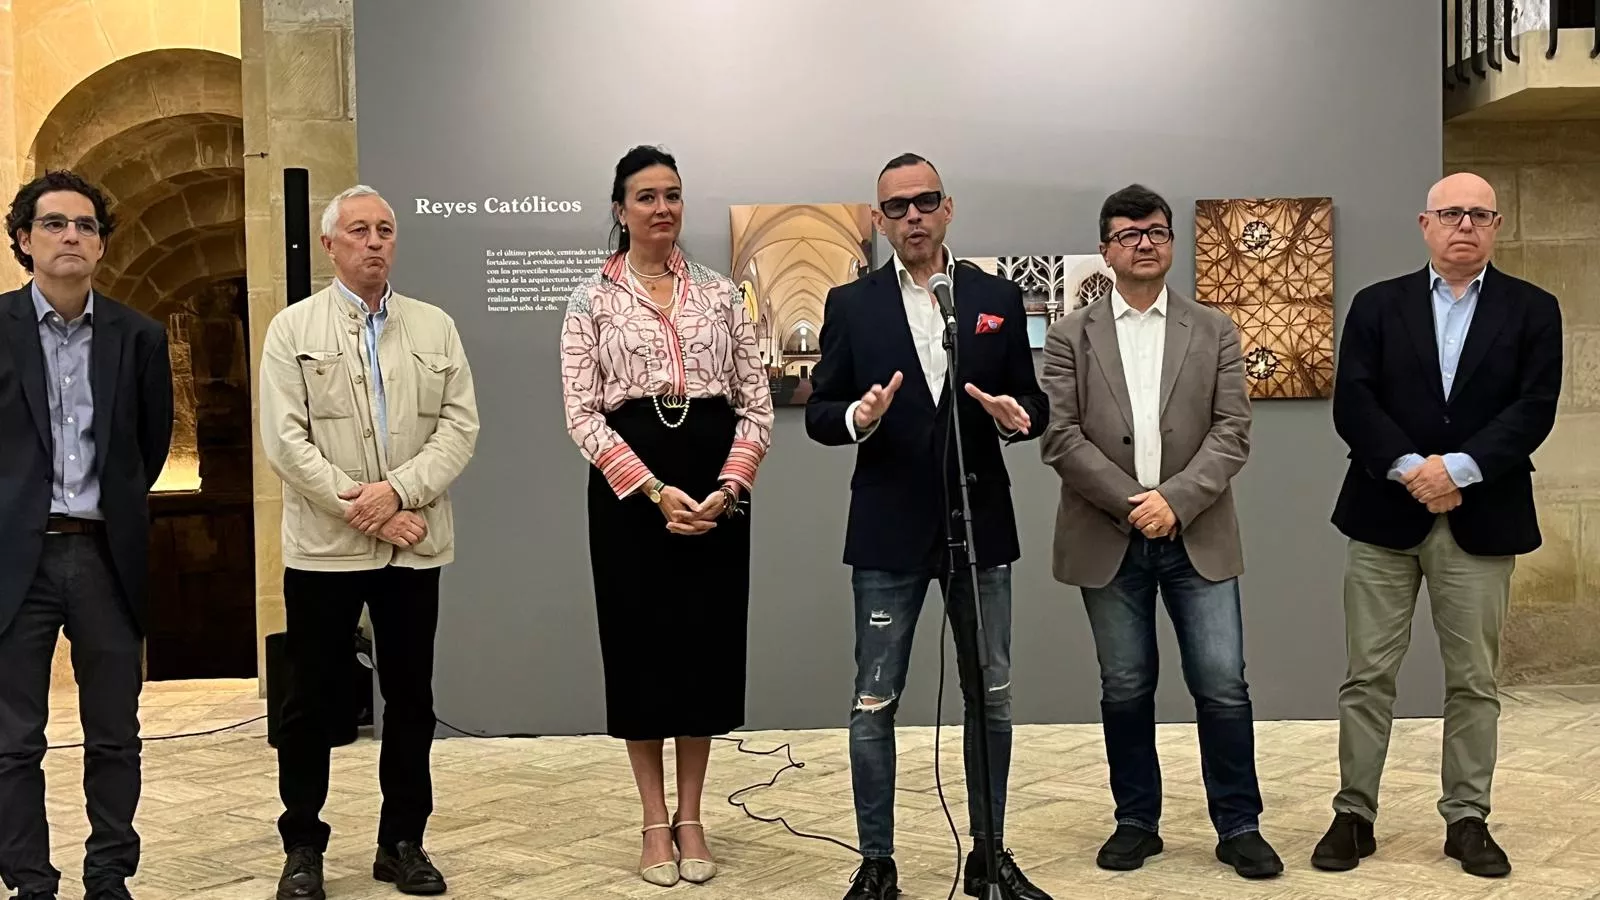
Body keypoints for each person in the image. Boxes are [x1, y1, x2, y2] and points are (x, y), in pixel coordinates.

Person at [806, 153, 1052, 900]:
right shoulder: (852, 305)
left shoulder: (994, 297)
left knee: (994, 695)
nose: (912, 216)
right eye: (897, 207)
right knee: (874, 700)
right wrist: (858, 415)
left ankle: (990, 855)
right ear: (880, 220)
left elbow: (1030, 402)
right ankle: (877, 863)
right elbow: (820, 411)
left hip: (980, 520)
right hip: (887, 529)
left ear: (949, 208)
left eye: (925, 202)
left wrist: (1019, 421)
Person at [1315, 172, 1561, 879]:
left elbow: (1533, 409)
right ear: (1425, 224)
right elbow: (1353, 405)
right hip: (1381, 514)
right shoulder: (1377, 306)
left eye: (1479, 214)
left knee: (1474, 680)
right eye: (1451, 213)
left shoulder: (1532, 309)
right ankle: (1354, 814)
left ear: (1498, 226)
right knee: (1367, 676)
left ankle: (1467, 819)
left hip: (1483, 518)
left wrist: (1456, 469)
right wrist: (1409, 468)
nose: (1465, 226)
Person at [1039, 185, 1283, 880]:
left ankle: (1239, 825)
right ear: (1107, 248)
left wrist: (1173, 502)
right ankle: (1136, 821)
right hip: (1105, 537)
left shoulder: (1214, 330)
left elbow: (1233, 431)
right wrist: (1132, 503)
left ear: (1171, 243)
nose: (1144, 242)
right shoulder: (1069, 335)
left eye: (1156, 231)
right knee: (1125, 685)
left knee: (1223, 685)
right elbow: (1061, 437)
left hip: (1197, 533)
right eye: (1129, 233)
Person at [560, 145, 773, 889]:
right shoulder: (590, 299)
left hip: (715, 491)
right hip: (630, 498)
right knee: (640, 650)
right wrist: (653, 491)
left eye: (673, 195)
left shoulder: (723, 295)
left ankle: (693, 815)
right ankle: (653, 820)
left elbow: (756, 404)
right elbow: (582, 417)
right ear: (619, 210)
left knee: (703, 651)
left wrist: (728, 487)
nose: (662, 208)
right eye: (646, 196)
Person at [260, 185, 479, 900]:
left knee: (412, 698)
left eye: (385, 229)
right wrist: (372, 510)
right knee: (310, 701)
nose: (374, 241)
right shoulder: (292, 330)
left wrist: (401, 494)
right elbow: (287, 442)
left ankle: (402, 842)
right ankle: (303, 846)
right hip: (324, 550)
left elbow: (459, 427)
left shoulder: (434, 327)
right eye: (359, 230)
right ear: (330, 245)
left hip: (415, 548)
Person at [0, 171, 172, 900]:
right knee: (11, 742)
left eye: (86, 225)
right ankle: (30, 883)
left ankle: (109, 877)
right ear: (22, 240)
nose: (71, 235)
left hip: (104, 555)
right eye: (53, 224)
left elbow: (150, 443)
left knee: (114, 734)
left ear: (101, 244)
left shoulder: (138, 335)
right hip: (16, 560)